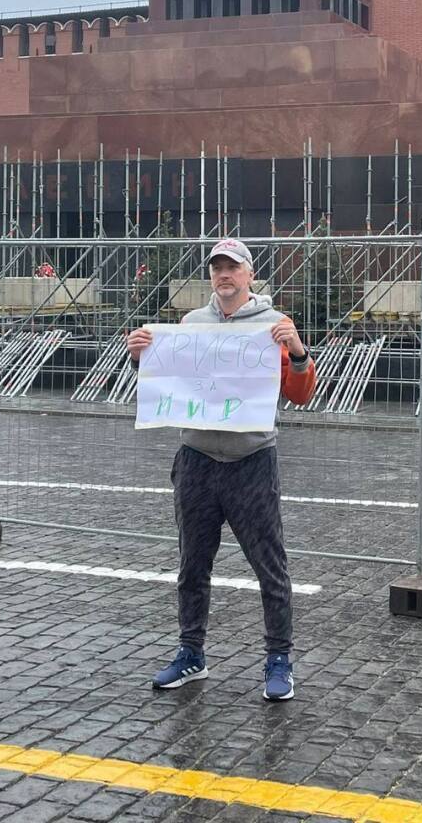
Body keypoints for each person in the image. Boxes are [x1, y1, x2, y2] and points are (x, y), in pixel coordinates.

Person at [126, 238, 316, 701]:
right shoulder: (191, 324)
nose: (224, 275)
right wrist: (141, 356)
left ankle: (279, 659)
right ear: (211, 276)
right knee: (192, 564)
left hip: (251, 461)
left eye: (233, 267)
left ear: (250, 274)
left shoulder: (274, 325)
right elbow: (167, 383)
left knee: (269, 565)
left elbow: (300, 394)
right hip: (196, 460)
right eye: (217, 268)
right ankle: (191, 652)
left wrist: (297, 352)